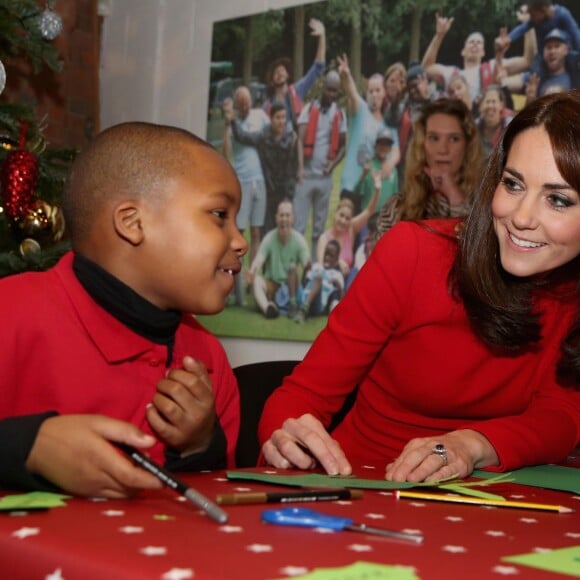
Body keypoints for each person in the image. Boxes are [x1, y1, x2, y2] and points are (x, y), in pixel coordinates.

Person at [258, 90, 580, 483]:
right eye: (513, 185)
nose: (521, 216)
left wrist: (472, 444)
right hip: (360, 489)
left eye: (558, 200)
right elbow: (299, 398)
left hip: (487, 510)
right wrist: (284, 435)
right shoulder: (412, 253)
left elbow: (561, 416)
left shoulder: (571, 296)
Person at [0, 122, 247, 496]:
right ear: (132, 223)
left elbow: (204, 507)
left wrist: (198, 446)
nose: (241, 241)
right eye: (219, 215)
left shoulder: (209, 361)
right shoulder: (11, 311)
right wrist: (26, 446)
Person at [376, 98, 484, 239]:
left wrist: (454, 197)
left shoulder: (487, 209)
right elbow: (382, 260)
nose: (443, 149)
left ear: (467, 147)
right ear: (422, 145)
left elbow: (479, 256)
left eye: (454, 139)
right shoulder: (396, 209)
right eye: (434, 138)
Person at [222, 86, 270, 305]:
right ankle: (235, 282)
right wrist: (226, 123)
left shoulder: (260, 116)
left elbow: (269, 135)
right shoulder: (233, 123)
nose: (246, 105)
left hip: (259, 180)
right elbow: (227, 153)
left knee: (257, 231)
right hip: (241, 180)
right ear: (237, 104)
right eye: (242, 103)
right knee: (239, 233)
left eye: (248, 101)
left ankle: (253, 279)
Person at [422, 13, 532, 105]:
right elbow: (426, 68)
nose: (475, 44)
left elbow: (527, 61)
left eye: (479, 42)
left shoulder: (494, 66)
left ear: (483, 52)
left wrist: (528, 25)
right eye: (471, 42)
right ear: (463, 51)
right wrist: (439, 35)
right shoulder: (451, 74)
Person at [294, 70, 347, 261]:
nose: (331, 94)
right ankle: (296, 267)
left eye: (334, 91)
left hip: (324, 179)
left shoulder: (339, 114)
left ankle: (315, 266)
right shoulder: (309, 109)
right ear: (323, 88)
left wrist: (333, 165)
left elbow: (343, 146)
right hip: (306, 176)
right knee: (298, 227)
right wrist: (300, 167)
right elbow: (299, 139)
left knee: (318, 228)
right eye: (328, 89)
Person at [337, 54, 400, 212]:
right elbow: (351, 92)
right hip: (351, 183)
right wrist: (346, 75)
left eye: (377, 90)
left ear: (384, 92)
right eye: (370, 90)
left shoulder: (389, 122)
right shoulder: (360, 111)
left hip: (371, 189)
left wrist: (389, 164)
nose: (374, 94)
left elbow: (396, 151)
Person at [228, 102, 297, 234]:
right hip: (268, 190)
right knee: (267, 231)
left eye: (283, 117)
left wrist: (289, 197)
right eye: (278, 117)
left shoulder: (291, 139)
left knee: (286, 229)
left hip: (285, 192)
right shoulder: (263, 136)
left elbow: (291, 170)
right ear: (271, 119)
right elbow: (243, 136)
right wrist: (232, 120)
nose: (281, 121)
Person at [249, 198, 310, 320]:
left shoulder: (299, 240)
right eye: (281, 215)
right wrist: (252, 271)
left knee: (295, 273)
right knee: (256, 281)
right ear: (276, 218)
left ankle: (278, 305)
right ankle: (268, 309)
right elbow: (259, 260)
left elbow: (307, 267)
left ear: (293, 218)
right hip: (272, 284)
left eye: (287, 215)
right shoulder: (269, 238)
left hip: (290, 286)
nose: (284, 219)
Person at [317, 171, 380, 285]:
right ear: (335, 213)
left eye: (347, 218)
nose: (343, 221)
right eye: (341, 215)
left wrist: (377, 190)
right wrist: (338, 262)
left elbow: (369, 211)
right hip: (329, 281)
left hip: (348, 282)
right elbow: (322, 265)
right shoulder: (324, 238)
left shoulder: (350, 230)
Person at [263, 18, 326, 129]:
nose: (279, 73)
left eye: (282, 70)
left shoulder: (298, 90)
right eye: (276, 72)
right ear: (272, 80)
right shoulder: (267, 107)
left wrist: (322, 36)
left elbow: (318, 67)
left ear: (287, 76)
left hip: (296, 143)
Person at [294, 239, 344, 324]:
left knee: (318, 278)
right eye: (326, 254)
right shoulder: (316, 266)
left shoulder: (337, 275)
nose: (327, 258)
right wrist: (305, 270)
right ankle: (292, 305)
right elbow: (304, 284)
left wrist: (339, 287)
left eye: (331, 256)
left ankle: (303, 310)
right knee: (292, 269)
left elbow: (342, 299)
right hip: (303, 297)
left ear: (336, 259)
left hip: (317, 306)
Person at [355, 127, 399, 212]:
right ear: (375, 146)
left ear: (390, 149)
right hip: (368, 215)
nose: (383, 147)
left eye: (387, 145)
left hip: (384, 218)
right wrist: (363, 175)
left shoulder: (393, 170)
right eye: (381, 144)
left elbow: (395, 197)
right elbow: (357, 192)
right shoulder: (369, 165)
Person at [476, 85, 514, 159]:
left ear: (501, 105)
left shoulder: (511, 127)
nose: (490, 106)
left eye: (494, 101)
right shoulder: (474, 127)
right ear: (480, 106)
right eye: (487, 102)